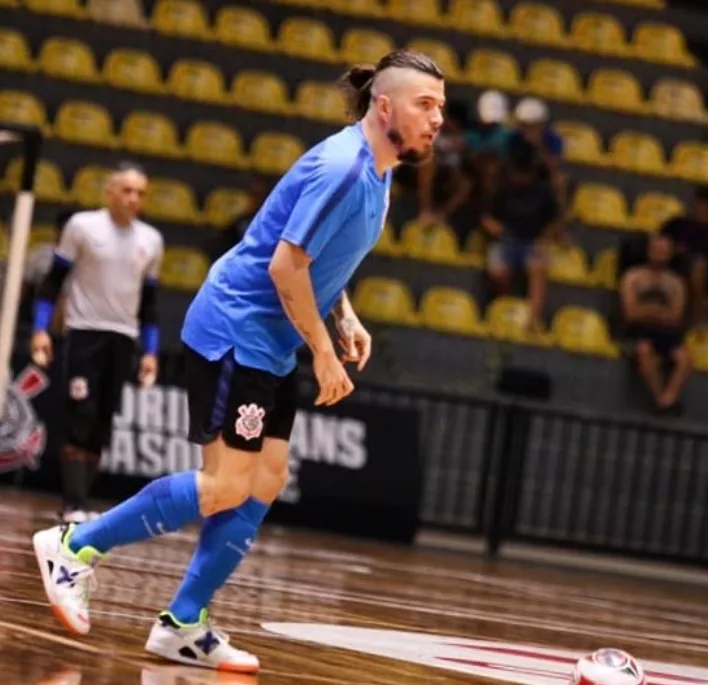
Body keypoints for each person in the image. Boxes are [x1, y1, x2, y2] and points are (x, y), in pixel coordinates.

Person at [31, 48, 445, 674]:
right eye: (426, 104)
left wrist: (344, 315)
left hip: (272, 339)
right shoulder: (343, 166)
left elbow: (314, 255)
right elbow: (285, 266)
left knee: (266, 481)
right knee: (225, 483)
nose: (438, 118)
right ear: (384, 106)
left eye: (441, 106)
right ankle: (73, 545)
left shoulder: (380, 170)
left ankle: (184, 623)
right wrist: (325, 353)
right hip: (235, 330)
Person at [30, 163, 164, 523]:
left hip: (123, 338)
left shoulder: (151, 240)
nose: (133, 198)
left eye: (140, 192)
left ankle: (83, 502)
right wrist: (41, 329)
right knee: (81, 415)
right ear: (109, 191)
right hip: (84, 331)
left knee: (103, 420)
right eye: (127, 190)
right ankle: (72, 504)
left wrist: (150, 351)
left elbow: (150, 303)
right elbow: (53, 282)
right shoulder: (83, 227)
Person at [483, 137, 559, 332]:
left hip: (533, 241)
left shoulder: (543, 191)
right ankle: (506, 311)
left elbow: (553, 221)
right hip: (507, 239)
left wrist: (543, 240)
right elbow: (487, 217)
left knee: (537, 268)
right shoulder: (503, 189)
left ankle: (533, 319)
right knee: (498, 271)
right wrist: (496, 229)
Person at [620, 234, 692, 413]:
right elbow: (630, 313)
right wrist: (659, 313)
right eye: (656, 250)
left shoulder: (676, 283)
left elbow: (675, 317)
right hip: (639, 331)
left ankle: (668, 399)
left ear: (670, 254)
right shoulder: (633, 277)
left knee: (685, 358)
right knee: (644, 351)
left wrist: (646, 311)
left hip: (667, 333)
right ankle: (660, 397)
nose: (659, 254)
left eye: (663, 250)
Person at [659, 185, 708, 326]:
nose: (703, 209)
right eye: (701, 204)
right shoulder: (677, 224)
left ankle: (694, 322)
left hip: (706, 273)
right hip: (674, 265)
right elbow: (659, 244)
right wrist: (674, 250)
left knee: (700, 265)